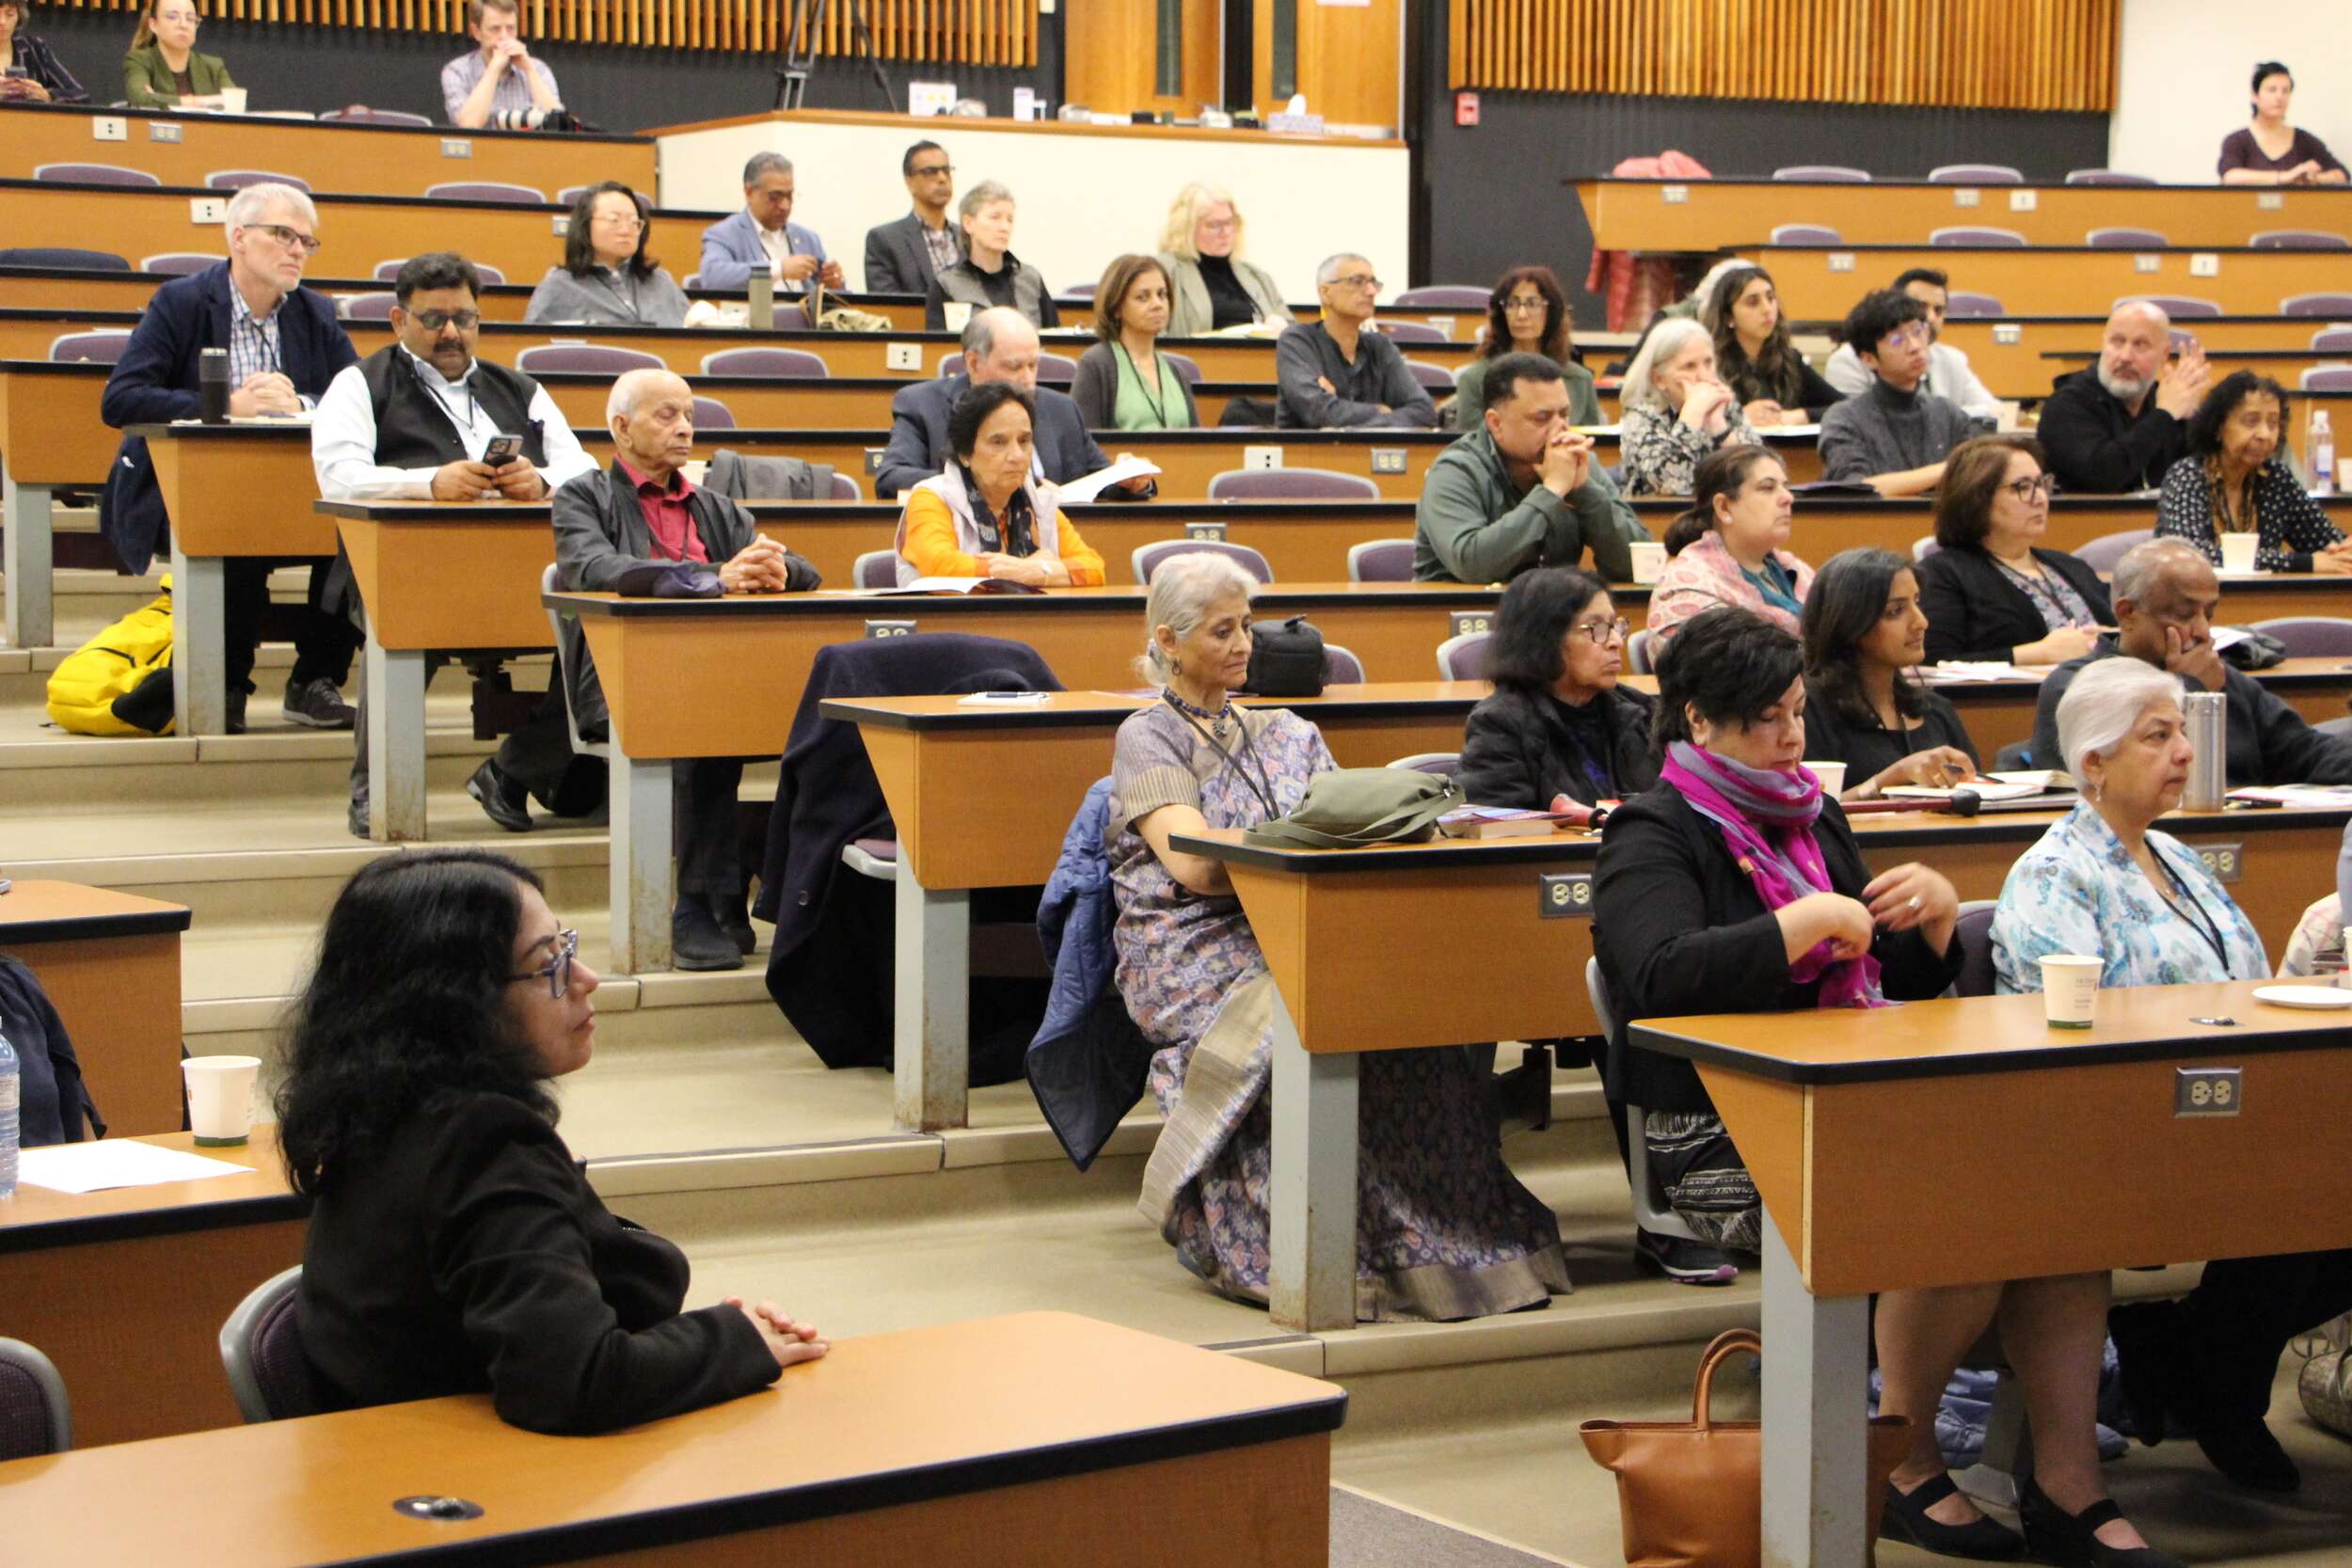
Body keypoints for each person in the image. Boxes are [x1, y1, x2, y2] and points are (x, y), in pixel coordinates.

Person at [1109, 551, 1570, 1320]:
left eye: (1246, 625)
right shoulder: (1148, 736)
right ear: (1169, 640)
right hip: (1196, 939)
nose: (1244, 643)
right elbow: (1194, 867)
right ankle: (1314, 1249)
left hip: (1305, 913)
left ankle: (1436, 1244)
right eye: (1221, 631)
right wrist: (1298, 845)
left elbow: (1346, 825)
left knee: (1403, 1018)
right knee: (1305, 1023)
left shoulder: (1288, 731)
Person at [278, 850, 825, 1433]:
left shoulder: (379, 1114)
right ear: (457, 1002)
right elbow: (576, 1382)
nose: (586, 979)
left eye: (566, 947)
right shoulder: (481, 1145)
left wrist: (693, 1342)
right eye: (550, 965)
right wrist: (735, 1340)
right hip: (457, 1474)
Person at [1986, 657, 2268, 1560]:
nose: (2186, 752)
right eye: (2158, 735)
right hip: (2117, 1130)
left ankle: (2203, 1377)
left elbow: (2252, 981)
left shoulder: (2177, 857)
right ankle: (2196, 1391)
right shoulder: (2055, 874)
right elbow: (2069, 1034)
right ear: (2094, 762)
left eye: (2182, 731)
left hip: (2222, 1111)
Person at [1593, 607, 1961, 1275]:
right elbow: (1661, 976)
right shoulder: (1651, 830)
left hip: (1845, 1090)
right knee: (1928, 1198)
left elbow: (1887, 977)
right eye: (1769, 717)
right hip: (1713, 1122)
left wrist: (1934, 925)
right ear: (1699, 719)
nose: (1794, 736)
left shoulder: (1816, 814)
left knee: (2003, 1172)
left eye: (1798, 711)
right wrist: (1805, 923)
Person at [312, 251, 598, 836]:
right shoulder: (360, 384)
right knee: (400, 620)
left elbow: (584, 468)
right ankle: (377, 791)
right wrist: (428, 484)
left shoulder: (518, 386)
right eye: (434, 319)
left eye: (464, 319)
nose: (451, 333)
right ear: (399, 321)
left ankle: (518, 769)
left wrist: (541, 480)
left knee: (599, 626)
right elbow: (339, 476)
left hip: (519, 565)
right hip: (407, 565)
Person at [2108, 823, 2352, 1497]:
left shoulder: (2179, 861)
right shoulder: (2060, 872)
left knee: (2320, 1188)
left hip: (2253, 1104)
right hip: (2152, 1107)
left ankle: (2191, 1359)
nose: (2182, 766)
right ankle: (2218, 1389)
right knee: (2302, 1188)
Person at [554, 369, 820, 969]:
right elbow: (594, 568)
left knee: (821, 720)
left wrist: (776, 569)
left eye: (690, 417)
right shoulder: (583, 497)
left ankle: (761, 885)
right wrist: (711, 578)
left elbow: (803, 568)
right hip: (622, 681)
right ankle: (698, 902)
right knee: (701, 726)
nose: (684, 429)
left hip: (722, 675)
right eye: (666, 415)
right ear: (621, 429)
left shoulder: (714, 506)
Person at [100, 182, 359, 735]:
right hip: (193, 490)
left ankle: (314, 681)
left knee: (357, 535)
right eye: (283, 235)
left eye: (307, 241)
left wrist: (303, 404)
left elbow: (361, 400)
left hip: (292, 491)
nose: (297, 250)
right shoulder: (183, 302)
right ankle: (226, 683)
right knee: (232, 531)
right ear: (239, 238)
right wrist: (224, 406)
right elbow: (121, 398)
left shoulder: (314, 312)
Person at [2030, 538, 2352, 785]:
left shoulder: (2224, 679)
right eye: (2184, 615)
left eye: (2208, 614)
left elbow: (2309, 752)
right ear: (2127, 613)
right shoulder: (2074, 687)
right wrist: (2192, 691)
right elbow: (2137, 786)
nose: (2202, 631)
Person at [1413, 353, 1643, 584]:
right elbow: (1472, 566)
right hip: (1465, 606)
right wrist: (1551, 492)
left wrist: (1585, 491)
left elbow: (1638, 565)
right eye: (1542, 418)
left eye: (1564, 415)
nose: (1560, 429)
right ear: (1496, 423)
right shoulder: (1455, 470)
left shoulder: (1576, 462)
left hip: (1552, 604)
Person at [875, 307, 1149, 500]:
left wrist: (1128, 480)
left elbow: (1098, 481)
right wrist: (985, 484)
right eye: (1014, 367)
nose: (1028, 379)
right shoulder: (922, 405)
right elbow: (891, 477)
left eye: (1033, 365)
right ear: (973, 363)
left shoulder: (1061, 409)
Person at [1457, 566, 1656, 808]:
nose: (1616, 642)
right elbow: (1499, 824)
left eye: (1615, 626)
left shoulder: (1639, 711)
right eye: (1596, 629)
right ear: (1545, 639)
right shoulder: (1499, 725)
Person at [1799, 547, 1980, 801]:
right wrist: (1885, 781)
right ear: (1849, 623)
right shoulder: (1805, 710)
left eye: (1917, 602)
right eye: (1896, 611)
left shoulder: (1936, 710)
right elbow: (1809, 813)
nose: (1921, 622)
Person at [1916, 436, 2112, 666]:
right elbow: (1933, 661)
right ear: (1977, 497)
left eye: (2041, 484)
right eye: (2023, 487)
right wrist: (2036, 654)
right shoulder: (1943, 574)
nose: (2040, 499)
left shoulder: (2072, 566)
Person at [893, 381, 1105, 588]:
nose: (1017, 455)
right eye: (998, 442)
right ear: (965, 453)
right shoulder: (932, 498)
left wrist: (1036, 571)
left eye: (1024, 441)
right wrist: (1027, 570)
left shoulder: (1039, 502)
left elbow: (1094, 567)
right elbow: (941, 566)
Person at [2157, 370, 2352, 573]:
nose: (2265, 434)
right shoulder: (2187, 475)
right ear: (2218, 427)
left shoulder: (2276, 478)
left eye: (2273, 423)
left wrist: (2344, 550)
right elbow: (2188, 555)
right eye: (2251, 421)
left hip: (2262, 595)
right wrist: (2302, 563)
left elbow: (2329, 542)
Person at [2039, 301, 2209, 495]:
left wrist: (2194, 422)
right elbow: (2102, 477)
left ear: (2164, 355)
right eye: (2117, 342)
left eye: (2141, 345)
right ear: (2103, 345)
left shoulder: (2164, 400)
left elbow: (2199, 474)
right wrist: (2164, 415)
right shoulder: (2066, 404)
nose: (2126, 356)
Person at [1818, 289, 1975, 498]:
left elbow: (1977, 476)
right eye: (1897, 340)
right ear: (1869, 359)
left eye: (1918, 331)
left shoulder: (1947, 413)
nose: (1915, 347)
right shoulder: (1845, 418)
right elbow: (1855, 488)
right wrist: (1948, 469)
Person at [1645, 447, 1811, 643]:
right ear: (1724, 507)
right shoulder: (1688, 587)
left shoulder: (1795, 571)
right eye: (1767, 488)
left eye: (1785, 487)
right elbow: (1703, 661)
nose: (1788, 498)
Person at [1274, 254, 1436, 429]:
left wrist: (1345, 413)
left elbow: (1425, 411)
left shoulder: (1380, 347)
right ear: (1326, 293)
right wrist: (1379, 411)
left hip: (1374, 446)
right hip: (1308, 447)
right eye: (1357, 281)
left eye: (1373, 283)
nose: (1371, 291)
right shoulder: (1297, 341)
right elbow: (1318, 411)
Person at [1823, 267, 2003, 422]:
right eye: (1921, 307)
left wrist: (1945, 420)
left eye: (1938, 310)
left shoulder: (1953, 359)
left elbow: (1994, 411)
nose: (1930, 318)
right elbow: (1857, 421)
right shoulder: (1848, 360)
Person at [1616, 317, 1758, 497]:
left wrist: (1719, 429)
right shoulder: (1641, 418)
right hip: (1661, 513)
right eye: (1689, 366)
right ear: (1658, 379)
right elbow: (1673, 483)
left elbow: (1759, 475)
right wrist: (1693, 413)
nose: (1704, 376)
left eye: (1708, 362)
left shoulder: (1725, 407)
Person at [1452, 266, 1600, 433]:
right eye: (1512, 304)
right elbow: (1471, 444)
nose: (1521, 314)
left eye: (1532, 304)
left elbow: (1593, 444)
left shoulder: (1580, 380)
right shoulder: (1474, 380)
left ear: (1551, 312)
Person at [524, 182, 688, 327]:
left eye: (633, 222)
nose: (626, 230)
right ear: (585, 226)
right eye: (614, 220)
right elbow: (535, 342)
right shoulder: (559, 286)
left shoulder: (662, 283)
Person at [1069, 254, 1200, 431]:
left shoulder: (1176, 372)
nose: (1157, 304)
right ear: (1116, 307)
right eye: (1143, 297)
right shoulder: (1096, 365)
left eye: (1162, 294)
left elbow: (1196, 440)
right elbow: (1081, 439)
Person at [1707, 265, 1840, 429]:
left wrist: (1804, 415)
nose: (1767, 309)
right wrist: (1738, 417)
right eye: (1753, 302)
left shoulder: (1790, 359)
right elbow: (1693, 422)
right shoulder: (1710, 365)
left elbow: (1846, 408)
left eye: (1770, 298)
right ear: (1728, 317)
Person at [1154, 182, 1292, 337]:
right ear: (1186, 229)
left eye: (1229, 223)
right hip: (1200, 352)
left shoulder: (1256, 276)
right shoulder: (1166, 271)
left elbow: (1295, 333)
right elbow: (1153, 334)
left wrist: (1283, 327)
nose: (1225, 232)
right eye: (1214, 225)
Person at [698, 152, 845, 295]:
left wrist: (835, 284)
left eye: (790, 196)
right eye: (775, 197)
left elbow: (831, 300)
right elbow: (712, 278)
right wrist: (779, 269)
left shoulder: (808, 239)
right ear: (749, 192)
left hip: (802, 312)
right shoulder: (724, 234)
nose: (785, 205)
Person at [924, 181, 1057, 330]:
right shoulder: (946, 284)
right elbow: (938, 342)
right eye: (995, 217)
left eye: (1010, 220)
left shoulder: (1030, 279)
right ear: (968, 224)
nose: (1005, 227)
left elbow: (1055, 337)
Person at [2218, 61, 2348, 185]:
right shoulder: (2237, 141)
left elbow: (2342, 175)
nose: (2279, 97)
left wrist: (2314, 178)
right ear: (2255, 96)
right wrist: (2284, 177)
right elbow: (2230, 177)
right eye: (2272, 90)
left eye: (2285, 91)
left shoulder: (2304, 141)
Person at [441, 0, 562, 131]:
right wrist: (493, 70)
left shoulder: (538, 69)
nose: (504, 37)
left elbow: (558, 126)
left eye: (510, 28)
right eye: (495, 29)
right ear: (476, 32)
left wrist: (530, 71)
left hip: (527, 144)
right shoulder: (457, 71)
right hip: (480, 144)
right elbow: (468, 125)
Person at [862, 140, 960, 296]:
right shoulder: (885, 240)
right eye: (930, 171)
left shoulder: (971, 237)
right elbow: (888, 305)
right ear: (909, 181)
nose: (942, 178)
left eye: (946, 170)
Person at [122, 0, 229, 109]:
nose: (183, 25)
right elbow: (140, 98)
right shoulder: (139, 60)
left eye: (190, 18)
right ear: (153, 25)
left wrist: (158, 98)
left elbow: (233, 103)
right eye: (172, 17)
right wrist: (200, 102)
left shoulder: (213, 66)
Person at [0, 0, 86, 103]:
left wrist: (47, 96)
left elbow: (81, 96)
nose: (2, 22)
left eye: (10, 14)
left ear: (19, 16)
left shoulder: (34, 48)